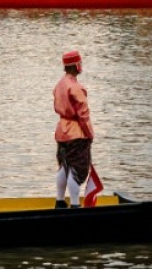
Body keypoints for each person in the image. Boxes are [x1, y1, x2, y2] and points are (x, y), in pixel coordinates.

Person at [53, 51, 94, 209]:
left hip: (61, 130)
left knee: (64, 165)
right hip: (76, 133)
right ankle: (75, 204)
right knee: (77, 169)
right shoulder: (76, 87)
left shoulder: (59, 84)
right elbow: (83, 115)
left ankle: (59, 201)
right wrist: (89, 133)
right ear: (76, 66)